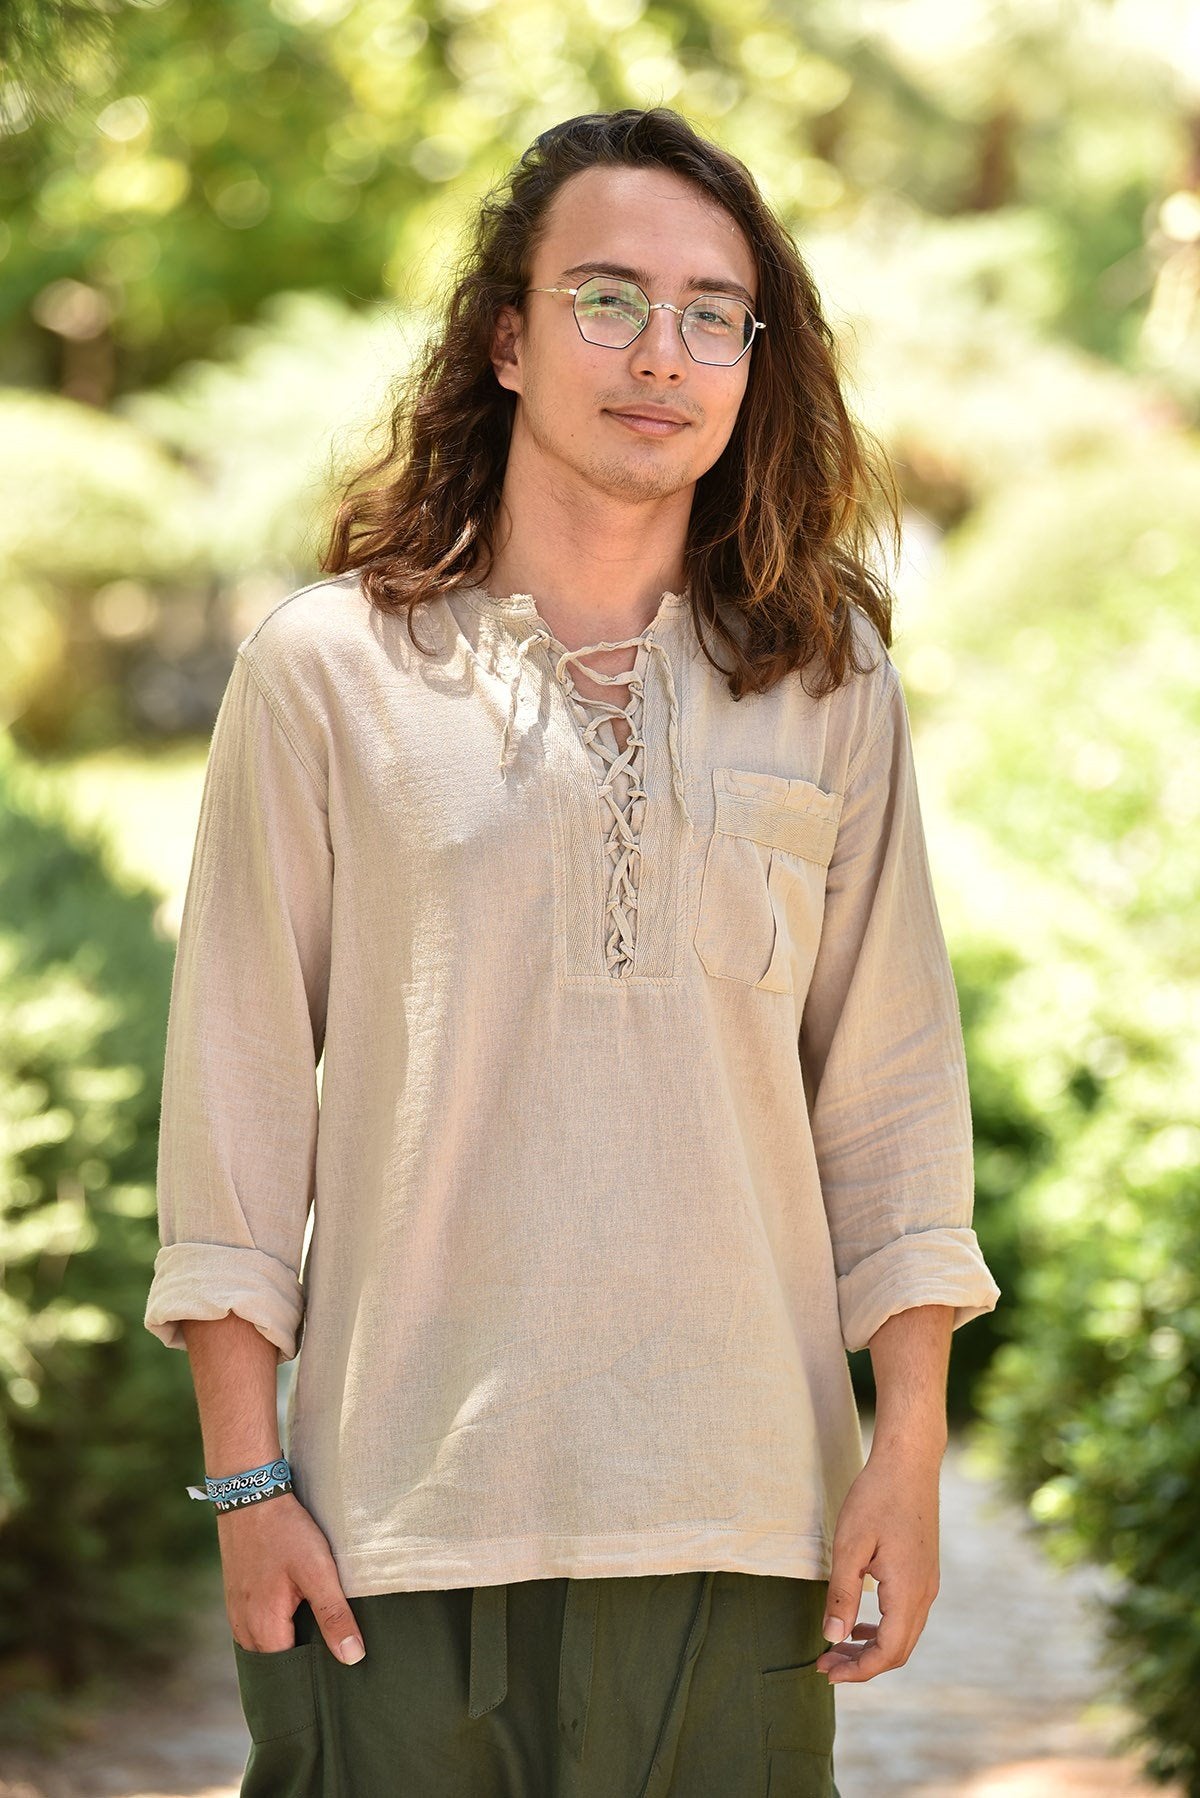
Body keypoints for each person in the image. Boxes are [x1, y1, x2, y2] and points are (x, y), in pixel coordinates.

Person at [144, 106, 1000, 1797]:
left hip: (740, 1509)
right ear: (508, 339)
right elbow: (234, 1098)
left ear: (756, 361)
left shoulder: (826, 680)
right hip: (400, 1525)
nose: (660, 352)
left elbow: (891, 1084)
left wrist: (907, 1448)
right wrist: (249, 1491)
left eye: (710, 313)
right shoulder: (327, 671)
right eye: (607, 298)